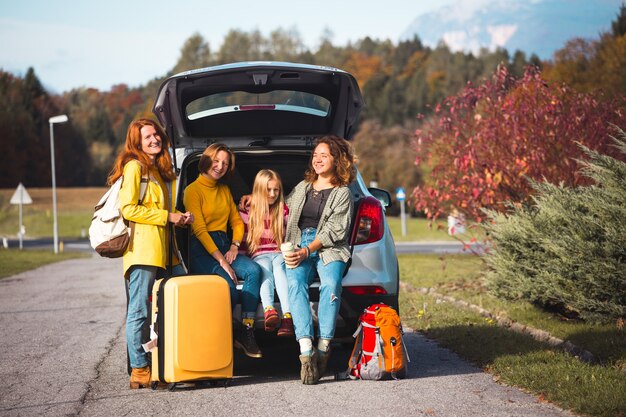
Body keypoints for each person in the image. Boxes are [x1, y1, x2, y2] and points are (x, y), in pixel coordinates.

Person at [240, 135, 355, 384]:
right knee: (295, 285)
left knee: (331, 286)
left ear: (337, 159)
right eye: (315, 155)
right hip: (298, 243)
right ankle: (306, 352)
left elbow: (335, 230)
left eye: (324, 155)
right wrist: (253, 196)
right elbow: (279, 202)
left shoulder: (342, 193)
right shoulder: (303, 187)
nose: (318, 159)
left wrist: (307, 250)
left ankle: (324, 346)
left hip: (329, 248)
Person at [109, 118, 194, 389]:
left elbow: (161, 211)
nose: (154, 139)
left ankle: (173, 359)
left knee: (179, 302)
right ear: (136, 142)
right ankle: (139, 369)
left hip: (165, 251)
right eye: (148, 137)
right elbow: (129, 209)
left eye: (156, 135)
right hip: (143, 252)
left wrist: (180, 217)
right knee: (140, 311)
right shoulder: (135, 167)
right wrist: (168, 216)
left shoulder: (157, 170)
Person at [183, 143, 263, 359]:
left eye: (225, 164)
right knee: (226, 287)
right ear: (207, 160)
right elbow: (199, 230)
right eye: (216, 161)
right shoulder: (192, 190)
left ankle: (246, 330)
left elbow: (237, 222)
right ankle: (222, 338)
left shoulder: (225, 190)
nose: (220, 166)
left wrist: (234, 246)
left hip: (224, 244)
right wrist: (222, 261)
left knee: (254, 271)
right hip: (201, 248)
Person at [238, 169, 294, 337]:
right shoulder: (248, 210)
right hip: (259, 254)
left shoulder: (283, 210)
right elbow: (243, 238)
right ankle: (269, 309)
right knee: (264, 270)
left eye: (276, 190)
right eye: (267, 190)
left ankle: (287, 316)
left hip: (278, 252)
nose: (272, 194)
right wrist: (240, 261)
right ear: (259, 190)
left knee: (279, 268)